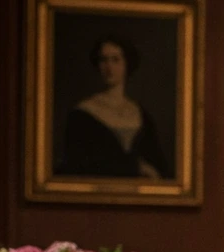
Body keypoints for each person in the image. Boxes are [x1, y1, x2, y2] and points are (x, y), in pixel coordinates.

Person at [57, 35, 171, 179]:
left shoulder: (141, 115)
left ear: (127, 64)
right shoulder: (81, 114)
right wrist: (135, 167)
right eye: (104, 60)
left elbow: (159, 166)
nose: (109, 67)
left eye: (115, 60)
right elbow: (78, 165)